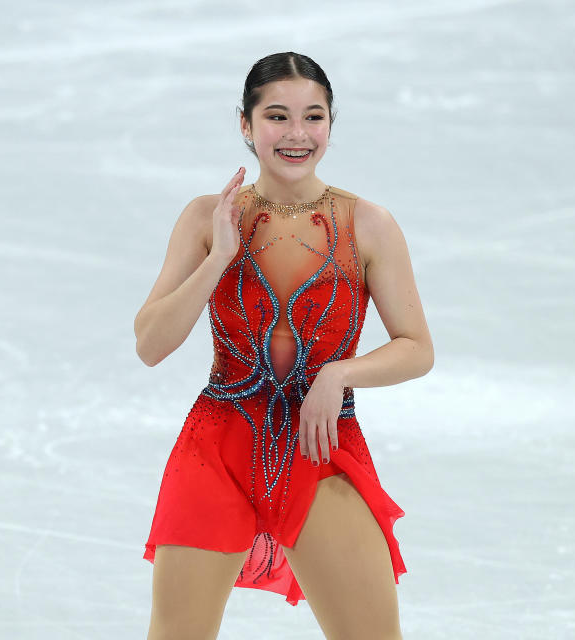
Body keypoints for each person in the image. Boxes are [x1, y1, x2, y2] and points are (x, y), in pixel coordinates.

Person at [134, 51, 434, 640]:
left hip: (319, 447)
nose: (296, 134)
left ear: (329, 125)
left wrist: (339, 374)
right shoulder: (206, 218)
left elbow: (416, 346)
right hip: (216, 444)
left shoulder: (366, 224)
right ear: (246, 126)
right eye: (277, 116)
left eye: (313, 117)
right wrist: (218, 256)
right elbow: (151, 343)